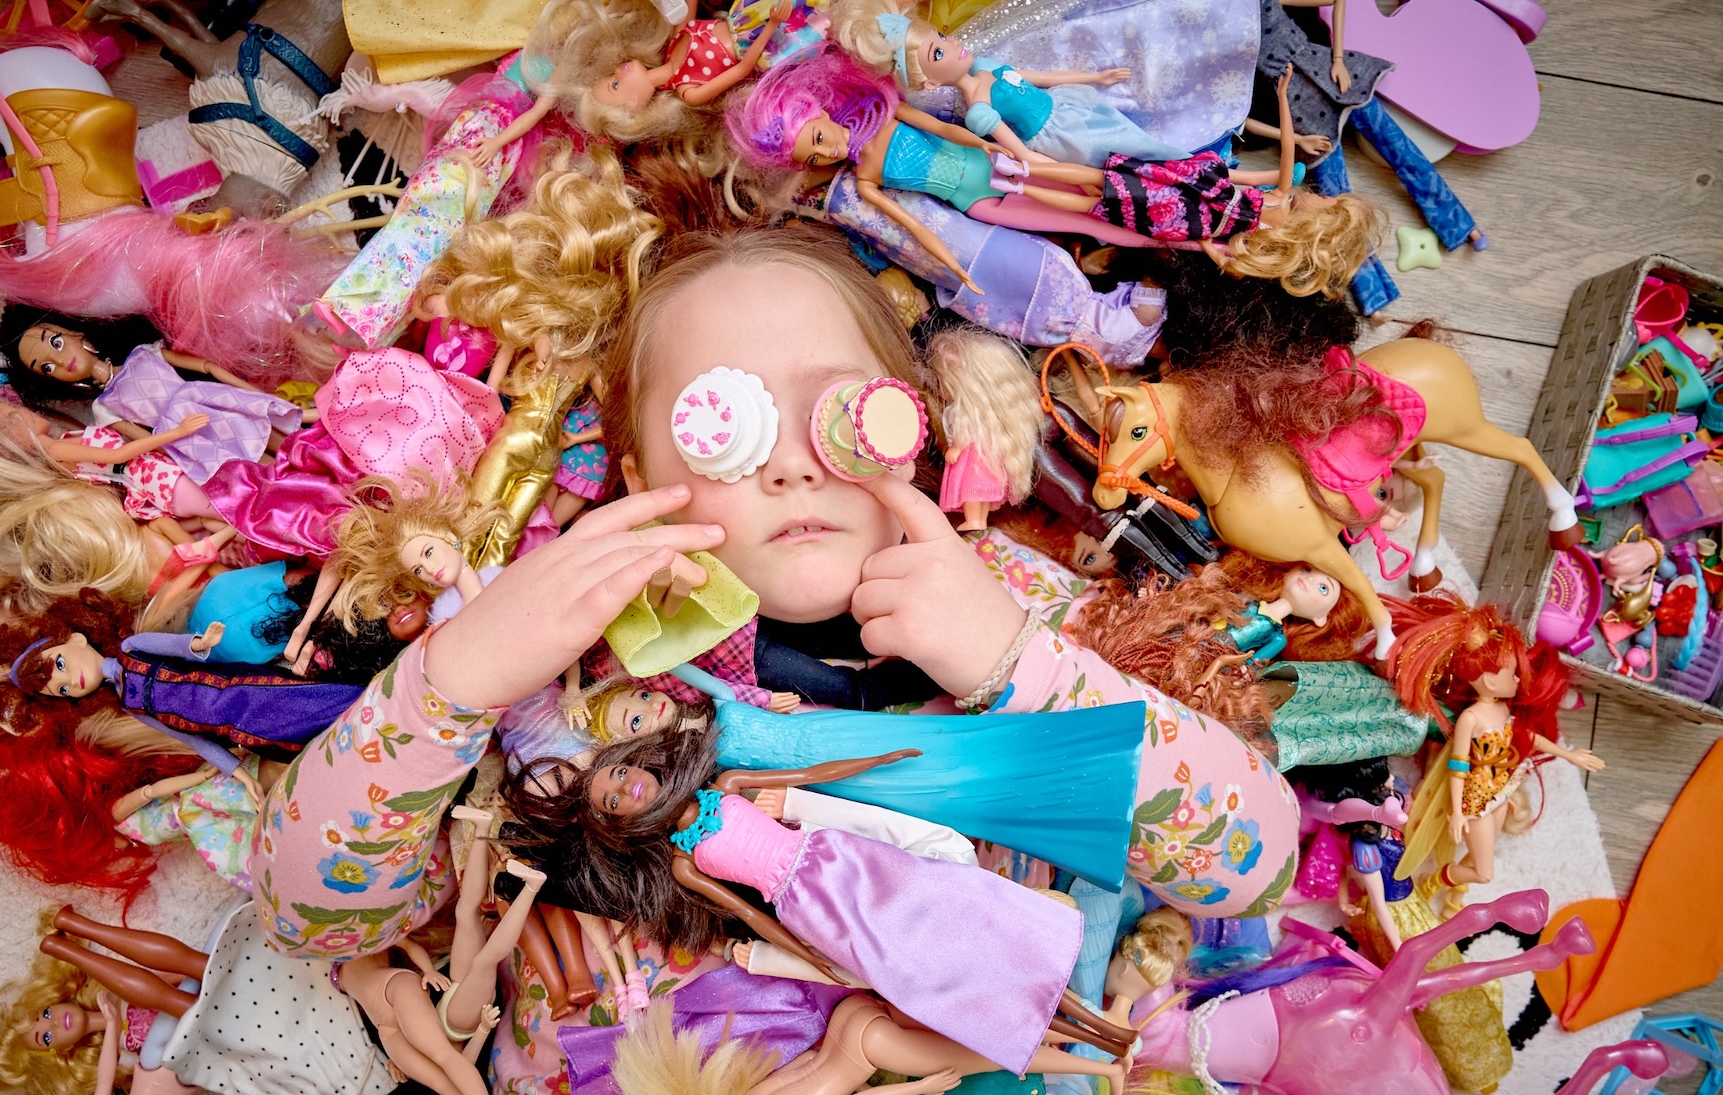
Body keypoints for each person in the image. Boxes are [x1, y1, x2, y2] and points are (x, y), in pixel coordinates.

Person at [250, 222, 1299, 960]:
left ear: (913, 428)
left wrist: (1014, 662)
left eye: (838, 411)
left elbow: (1253, 869)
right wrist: (453, 680)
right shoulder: (563, 654)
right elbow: (312, 922)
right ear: (639, 481)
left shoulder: (1018, 607)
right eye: (725, 426)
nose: (794, 465)